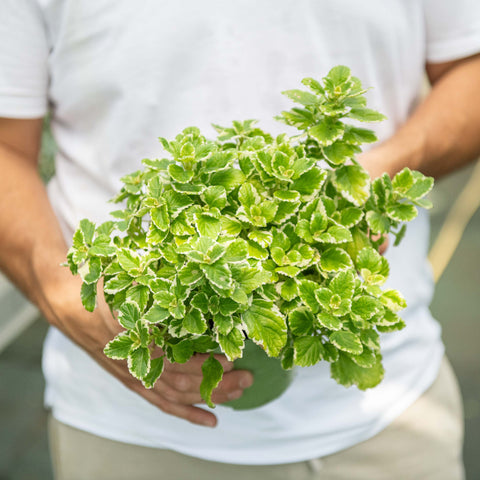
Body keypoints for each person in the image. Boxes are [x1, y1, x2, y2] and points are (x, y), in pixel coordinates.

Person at [1, 1, 479, 478]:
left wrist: (377, 174)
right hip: (128, 433)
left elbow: (470, 68)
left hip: (391, 419)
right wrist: (65, 295)